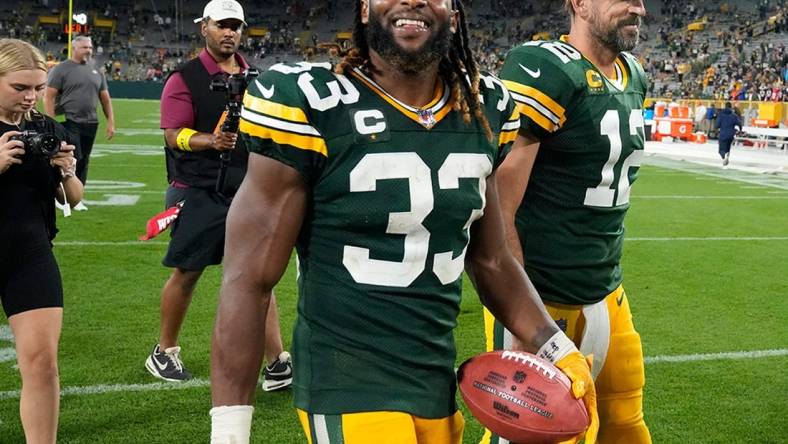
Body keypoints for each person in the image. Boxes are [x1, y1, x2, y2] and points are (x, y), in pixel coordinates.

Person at [209, 1, 598, 443]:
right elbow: (247, 279)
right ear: (363, 9)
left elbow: (492, 260)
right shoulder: (309, 102)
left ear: (453, 14)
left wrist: (556, 346)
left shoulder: (482, 108)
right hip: (346, 381)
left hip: (435, 383)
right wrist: (229, 433)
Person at [487, 0, 652, 443]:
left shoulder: (634, 75)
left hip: (606, 288)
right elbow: (498, 202)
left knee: (625, 422)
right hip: (543, 294)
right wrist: (521, 316)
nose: (637, 8)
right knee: (535, 434)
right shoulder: (545, 69)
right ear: (578, 3)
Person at [144, 0, 292, 390]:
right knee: (189, 271)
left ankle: (276, 360)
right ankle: (164, 350)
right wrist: (211, 140)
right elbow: (172, 134)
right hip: (197, 187)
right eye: (222, 25)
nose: (229, 33)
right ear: (204, 28)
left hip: (247, 186)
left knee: (259, 275)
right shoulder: (183, 78)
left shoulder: (255, 77)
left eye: (236, 26)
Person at [0, 38, 83, 444]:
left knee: (42, 364)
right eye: (20, 88)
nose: (31, 96)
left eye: (36, 87)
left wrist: (66, 170)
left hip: (29, 253)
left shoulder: (44, 127)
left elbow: (74, 197)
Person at [43, 35, 115, 211]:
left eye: (90, 47)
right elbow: (49, 95)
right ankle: (62, 195)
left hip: (91, 122)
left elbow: (105, 99)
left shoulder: (97, 71)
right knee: (73, 158)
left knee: (84, 161)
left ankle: (77, 196)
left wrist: (111, 122)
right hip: (70, 120)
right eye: (84, 47)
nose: (89, 50)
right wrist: (51, 122)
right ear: (74, 48)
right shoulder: (61, 69)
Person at [716, 102, 741, 167]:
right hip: (731, 134)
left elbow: (717, 125)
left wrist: (717, 128)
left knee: (721, 150)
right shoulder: (734, 115)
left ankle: (724, 157)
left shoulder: (721, 114)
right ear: (730, 107)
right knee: (727, 147)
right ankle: (727, 155)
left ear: (725, 106)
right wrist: (739, 130)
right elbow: (739, 124)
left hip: (723, 133)